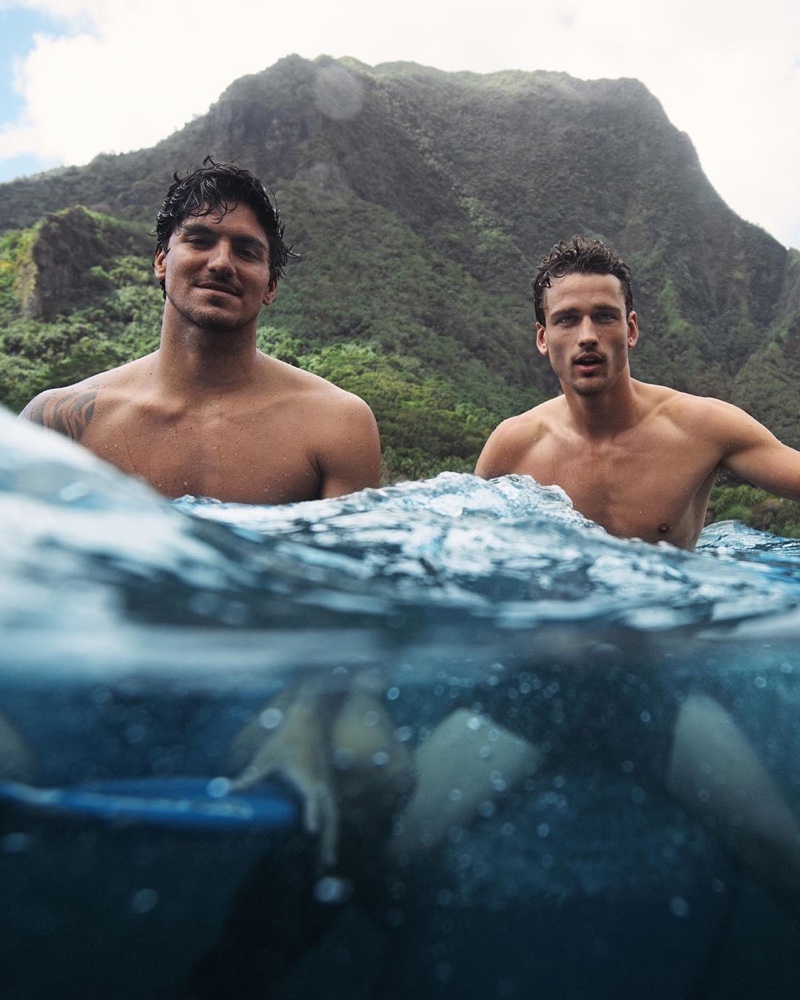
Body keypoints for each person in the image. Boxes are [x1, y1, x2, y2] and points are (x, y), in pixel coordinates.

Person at [18, 157, 381, 504]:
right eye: (200, 241)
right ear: (162, 260)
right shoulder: (57, 422)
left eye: (246, 252)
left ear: (270, 286)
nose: (221, 263)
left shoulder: (337, 425)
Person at [475, 235, 800, 550]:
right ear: (543, 338)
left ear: (630, 329)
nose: (587, 336)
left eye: (604, 316)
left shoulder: (704, 427)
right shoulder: (512, 448)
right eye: (567, 319)